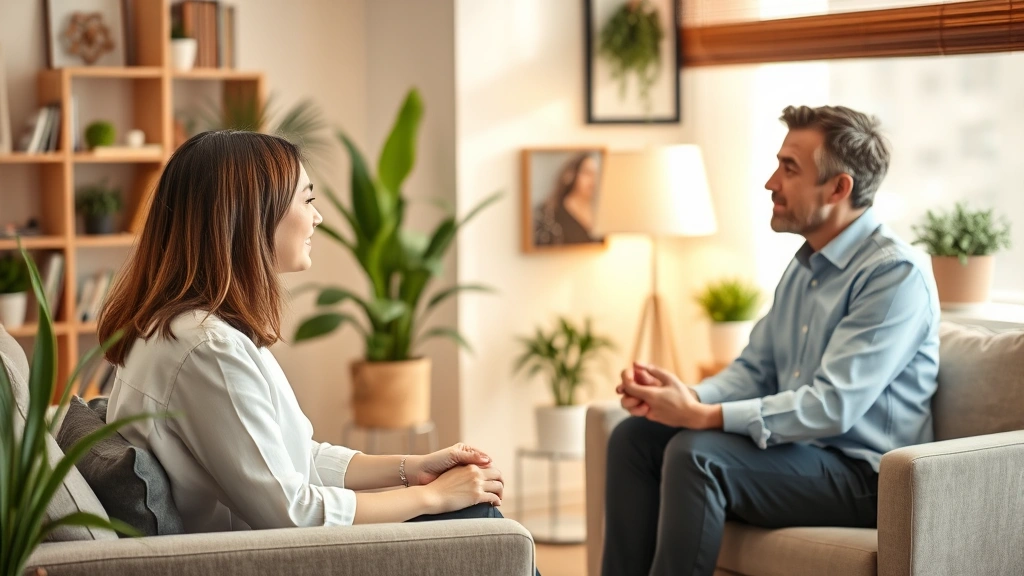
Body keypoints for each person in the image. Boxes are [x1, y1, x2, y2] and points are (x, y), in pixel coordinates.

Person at [98, 130, 507, 532]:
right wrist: (434, 496)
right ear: (251, 215)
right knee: (479, 519)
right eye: (307, 200)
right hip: (266, 559)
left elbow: (296, 459)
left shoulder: (185, 331)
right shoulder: (207, 349)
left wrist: (412, 469)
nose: (317, 216)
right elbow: (292, 513)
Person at [602, 105, 940, 576]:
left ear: (839, 187)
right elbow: (755, 370)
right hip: (798, 457)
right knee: (635, 438)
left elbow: (832, 405)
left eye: (789, 168)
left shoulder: (893, 274)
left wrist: (703, 417)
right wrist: (686, 396)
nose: (770, 183)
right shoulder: (805, 265)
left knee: (696, 455)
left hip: (864, 478)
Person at [534, 152, 600, 246]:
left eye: (597, 174)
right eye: (588, 173)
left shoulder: (602, 213)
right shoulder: (549, 216)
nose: (593, 180)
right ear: (570, 175)